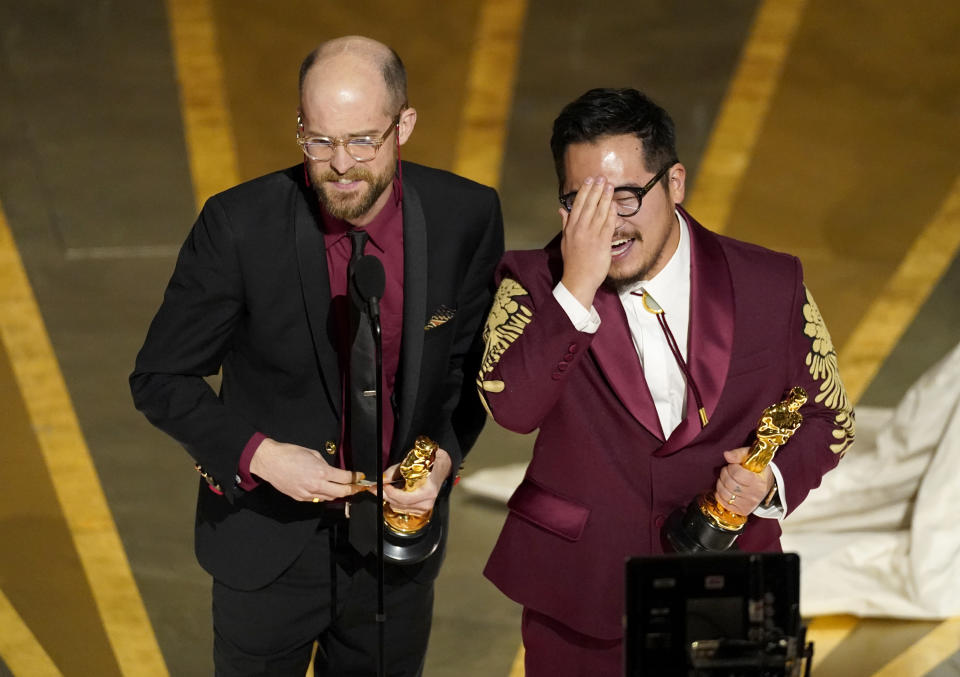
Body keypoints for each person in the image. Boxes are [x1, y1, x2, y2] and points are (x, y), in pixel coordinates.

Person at [131, 36, 503, 676]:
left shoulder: (464, 215)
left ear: (403, 126)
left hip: (398, 551)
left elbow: (469, 367)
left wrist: (440, 458)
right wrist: (261, 455)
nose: (340, 165)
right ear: (300, 129)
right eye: (319, 141)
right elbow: (161, 378)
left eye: (363, 140)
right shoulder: (238, 225)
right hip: (266, 544)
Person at [476, 88, 854, 675]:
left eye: (625, 197)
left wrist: (769, 481)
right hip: (581, 594)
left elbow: (830, 416)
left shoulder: (771, 281)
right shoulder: (531, 284)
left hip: (730, 580)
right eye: (583, 202)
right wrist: (576, 288)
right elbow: (513, 409)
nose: (608, 224)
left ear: (675, 183)